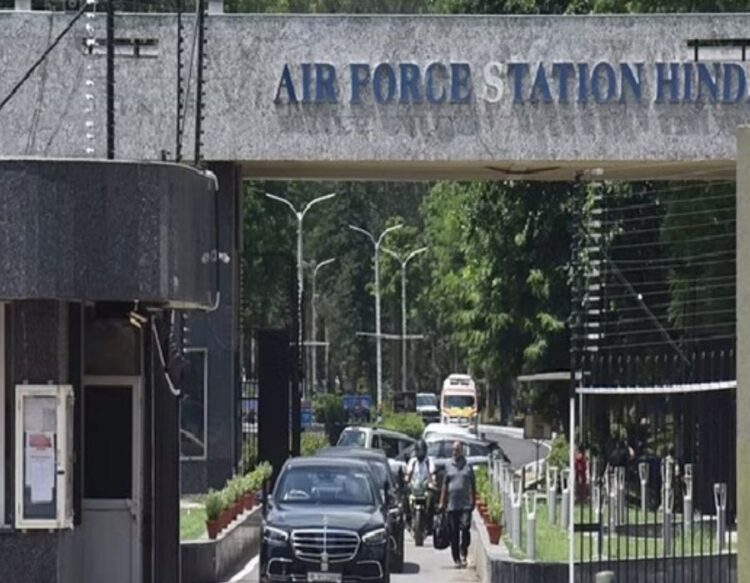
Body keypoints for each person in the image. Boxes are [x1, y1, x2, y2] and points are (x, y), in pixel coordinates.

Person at [439, 441, 476, 569]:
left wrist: (473, 501)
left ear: (461, 451)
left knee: (465, 528)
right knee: (454, 533)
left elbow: (473, 485)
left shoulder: (468, 466)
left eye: (457, 450)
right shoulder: (448, 465)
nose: (454, 452)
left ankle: (463, 551)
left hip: (465, 504)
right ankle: (456, 558)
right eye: (453, 450)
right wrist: (441, 502)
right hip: (452, 505)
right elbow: (444, 485)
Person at [405, 439, 437, 527]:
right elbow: (408, 473)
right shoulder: (413, 461)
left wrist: (433, 481)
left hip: (425, 487)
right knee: (405, 496)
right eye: (418, 450)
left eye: (422, 450)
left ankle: (430, 521)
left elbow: (432, 473)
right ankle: (408, 518)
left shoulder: (429, 461)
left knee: (432, 497)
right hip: (414, 487)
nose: (420, 452)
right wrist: (407, 479)